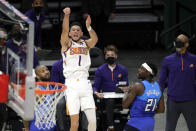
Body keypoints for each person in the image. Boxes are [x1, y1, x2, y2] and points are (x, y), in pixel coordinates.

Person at [60, 7, 98, 131]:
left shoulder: (86, 44)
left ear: (81, 33)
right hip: (71, 85)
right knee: (74, 124)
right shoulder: (67, 44)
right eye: (73, 30)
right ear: (70, 33)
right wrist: (67, 15)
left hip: (85, 84)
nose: (75, 31)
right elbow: (64, 30)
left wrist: (89, 27)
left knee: (92, 122)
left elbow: (95, 39)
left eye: (78, 30)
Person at [158, 34, 196, 131]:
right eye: (177, 41)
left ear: (187, 44)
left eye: (181, 42)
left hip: (190, 101)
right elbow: (161, 81)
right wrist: (158, 97)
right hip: (172, 102)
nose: (178, 44)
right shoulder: (168, 60)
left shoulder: (194, 59)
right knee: (169, 129)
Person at [93, 44, 129, 131]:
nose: (110, 57)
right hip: (107, 96)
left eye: (112, 55)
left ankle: (132, 125)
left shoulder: (123, 69)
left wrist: (126, 88)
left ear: (116, 56)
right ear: (105, 57)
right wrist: (96, 92)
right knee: (110, 101)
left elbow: (126, 84)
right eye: (108, 55)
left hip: (120, 96)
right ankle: (111, 126)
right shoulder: (100, 70)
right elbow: (95, 86)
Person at [123, 62, 165, 131]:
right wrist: (147, 113)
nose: (139, 70)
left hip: (135, 123)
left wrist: (127, 92)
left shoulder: (138, 86)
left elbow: (124, 105)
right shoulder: (158, 88)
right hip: (150, 124)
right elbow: (161, 110)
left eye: (142, 69)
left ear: (148, 73)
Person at [24, 65, 55, 131]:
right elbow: (26, 112)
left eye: (47, 70)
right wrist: (27, 129)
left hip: (50, 126)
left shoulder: (51, 87)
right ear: (38, 76)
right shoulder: (37, 91)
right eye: (43, 71)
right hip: (37, 127)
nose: (46, 72)